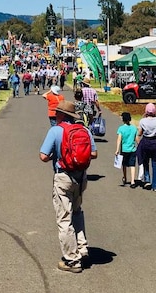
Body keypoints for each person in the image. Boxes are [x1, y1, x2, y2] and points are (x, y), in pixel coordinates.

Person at [39, 101, 98, 273]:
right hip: (81, 177)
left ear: (62, 115)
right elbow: (93, 153)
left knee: (64, 218)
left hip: (63, 177)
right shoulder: (84, 130)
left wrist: (57, 156)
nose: (54, 115)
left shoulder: (56, 131)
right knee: (77, 211)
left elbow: (43, 156)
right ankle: (82, 248)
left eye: (57, 113)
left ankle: (72, 259)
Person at [136, 103, 156, 191]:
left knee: (145, 161)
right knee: (155, 163)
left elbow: (140, 133)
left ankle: (147, 180)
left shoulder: (142, 121)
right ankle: (155, 185)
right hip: (155, 142)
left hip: (145, 142)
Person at [115, 111, 138, 187]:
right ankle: (132, 181)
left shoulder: (121, 128)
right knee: (132, 165)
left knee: (124, 164)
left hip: (124, 149)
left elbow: (119, 139)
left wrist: (117, 149)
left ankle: (125, 177)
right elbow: (137, 139)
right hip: (132, 149)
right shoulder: (134, 128)